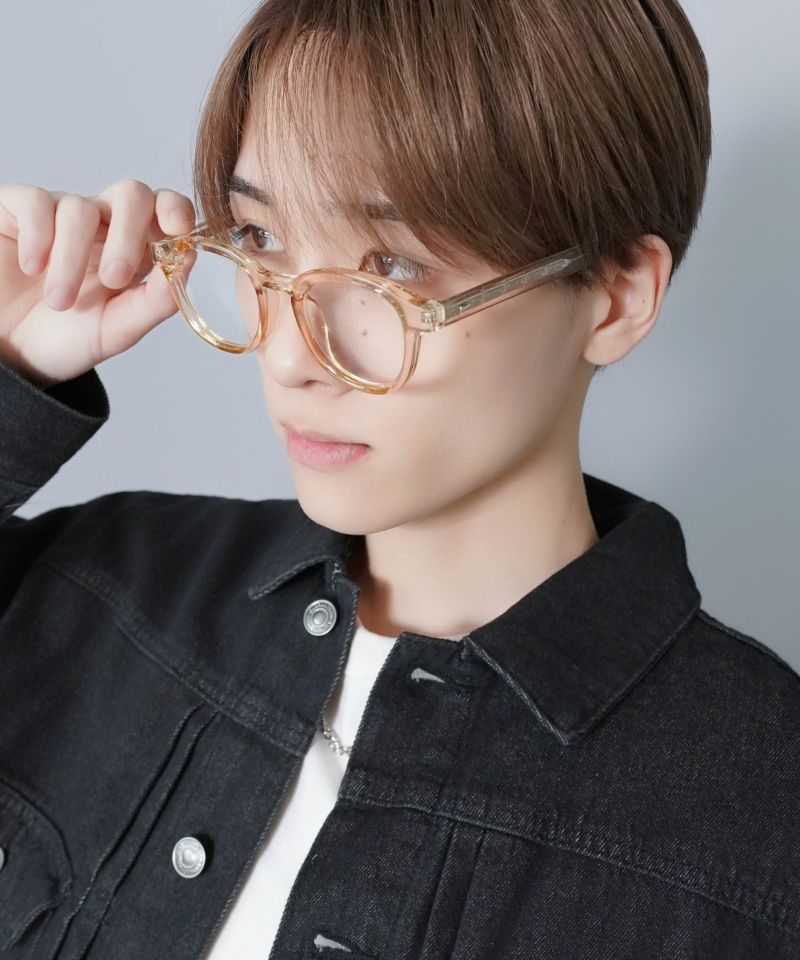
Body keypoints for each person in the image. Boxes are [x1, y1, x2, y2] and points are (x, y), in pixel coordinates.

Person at [1, 1, 798, 958]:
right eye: (259, 239)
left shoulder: (762, 821)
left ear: (616, 297)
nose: (292, 355)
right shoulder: (105, 584)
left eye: (394, 265)